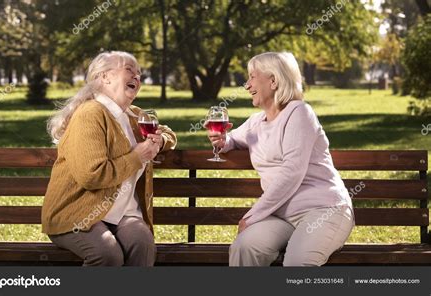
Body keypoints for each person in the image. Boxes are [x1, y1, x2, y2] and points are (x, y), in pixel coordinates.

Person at [207, 52, 354, 266]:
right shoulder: (255, 122)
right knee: (244, 247)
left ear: (273, 81)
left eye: (252, 77)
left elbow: (292, 173)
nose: (246, 85)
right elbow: (232, 139)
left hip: (323, 210)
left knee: (297, 262)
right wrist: (222, 140)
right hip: (281, 216)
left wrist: (252, 216)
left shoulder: (300, 113)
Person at [42, 51, 177, 266]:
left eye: (139, 74)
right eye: (129, 70)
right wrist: (137, 156)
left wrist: (159, 142)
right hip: (78, 214)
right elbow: (91, 175)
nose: (137, 78)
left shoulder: (134, 115)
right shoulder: (91, 114)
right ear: (105, 77)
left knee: (143, 244)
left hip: (122, 213)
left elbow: (167, 133)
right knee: (107, 255)